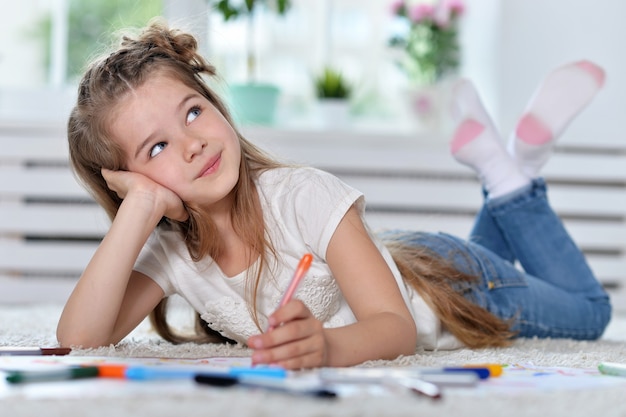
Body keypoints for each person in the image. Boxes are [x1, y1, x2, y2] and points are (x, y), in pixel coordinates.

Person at [57, 20, 611, 370]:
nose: (194, 144)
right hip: (404, 258)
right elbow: (79, 339)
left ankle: (513, 178)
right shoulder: (173, 253)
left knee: (590, 311)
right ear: (128, 179)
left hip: (451, 287)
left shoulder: (304, 195)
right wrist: (141, 208)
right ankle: (504, 169)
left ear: (217, 106)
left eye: (194, 112)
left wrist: (327, 348)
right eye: (156, 150)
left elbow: (393, 326)